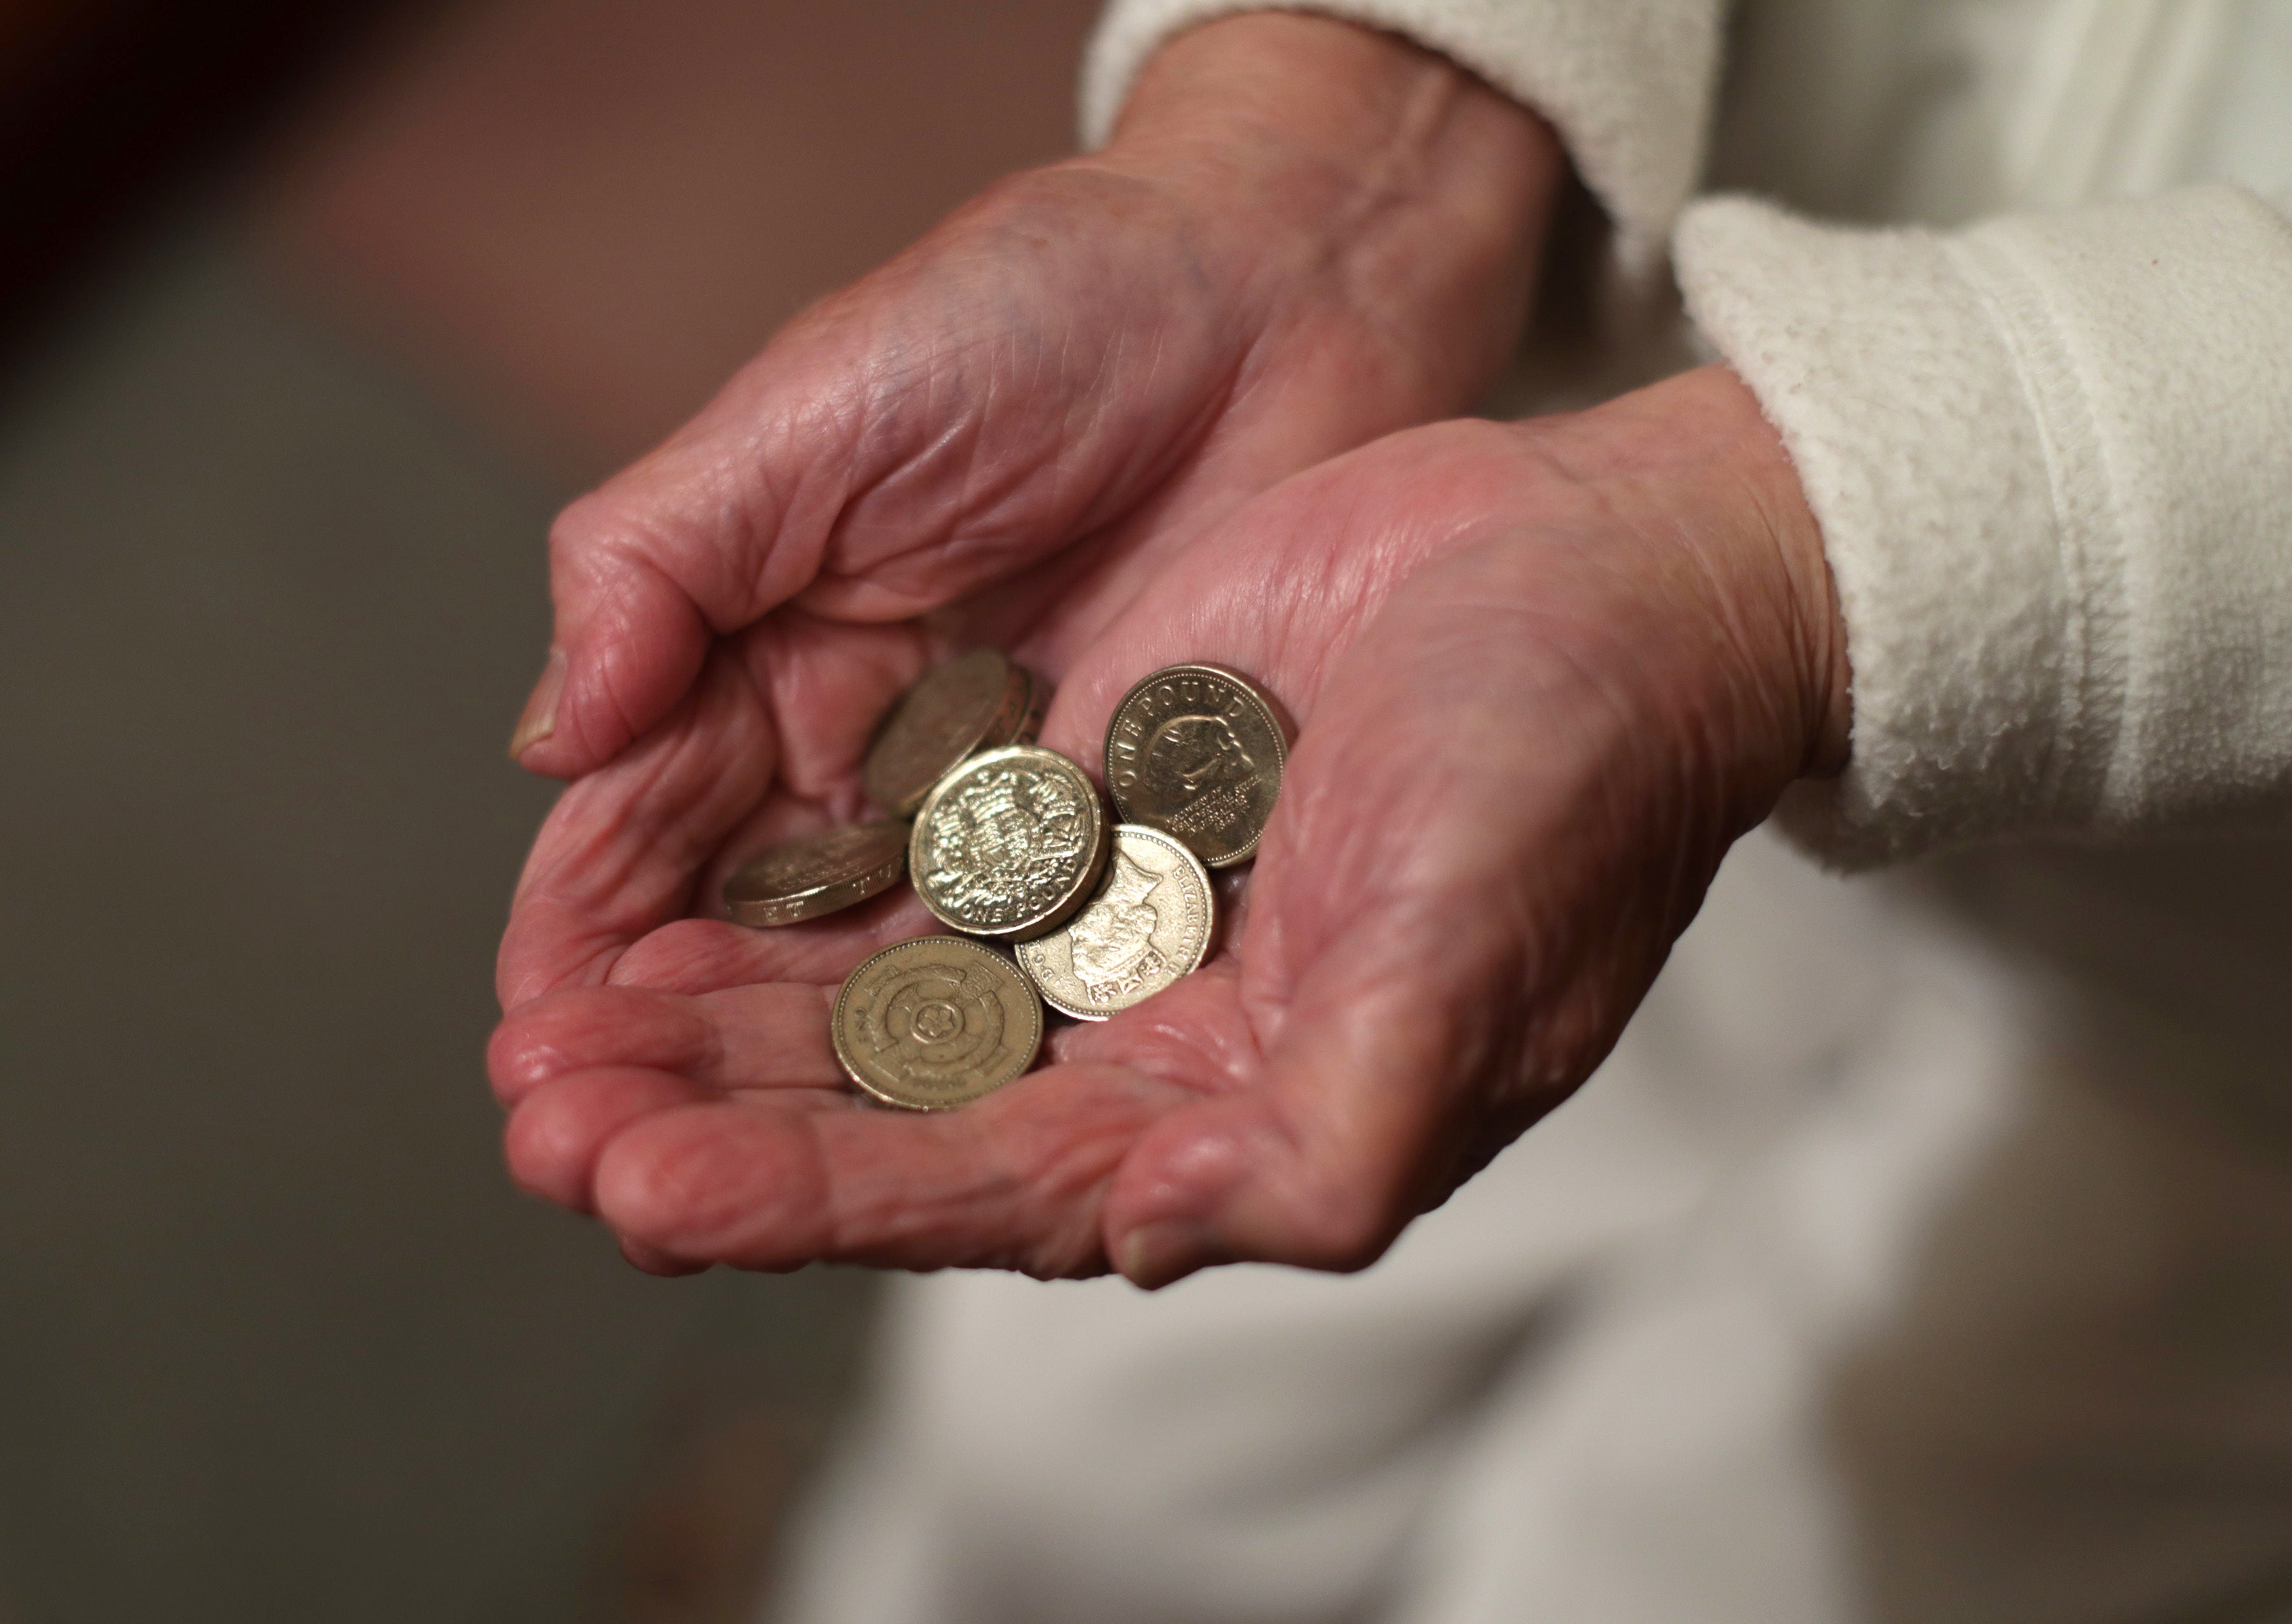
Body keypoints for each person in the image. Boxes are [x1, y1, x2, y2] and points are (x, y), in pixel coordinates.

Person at [486, 1, 2292, 1618]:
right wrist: (1350, 125)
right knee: (1065, 1455)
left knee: (1704, 1566)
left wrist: (1792, 558)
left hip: (2238, 1039)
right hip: (1534, 583)